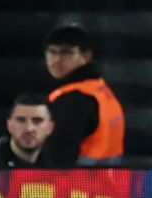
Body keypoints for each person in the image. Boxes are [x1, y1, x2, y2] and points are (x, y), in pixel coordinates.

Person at [41, 23, 126, 165]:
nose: (56, 60)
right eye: (51, 52)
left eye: (66, 53)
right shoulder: (99, 89)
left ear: (86, 56)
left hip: (77, 184)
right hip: (109, 183)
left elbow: (57, 161)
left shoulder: (72, 100)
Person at [0, 94, 67, 168]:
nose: (29, 128)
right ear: (9, 126)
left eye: (37, 121)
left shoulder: (56, 165)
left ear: (50, 128)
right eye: (21, 120)